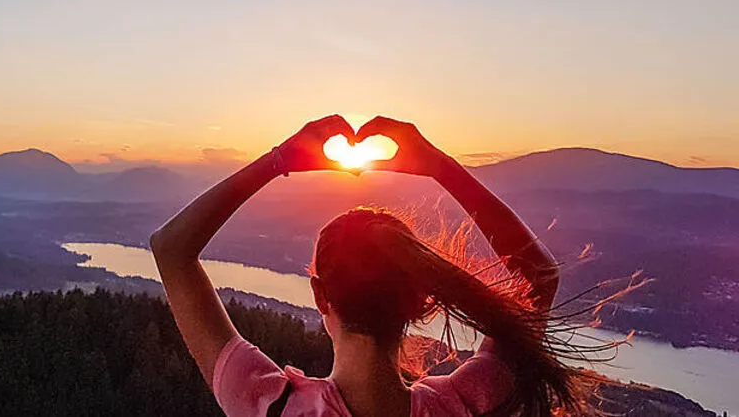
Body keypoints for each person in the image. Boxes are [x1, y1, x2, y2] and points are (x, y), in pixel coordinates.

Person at [150, 115, 599, 417]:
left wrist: (279, 161)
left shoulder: (269, 404)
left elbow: (171, 249)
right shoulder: (461, 406)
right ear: (421, 300)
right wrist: (440, 168)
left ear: (320, 295)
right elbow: (539, 278)